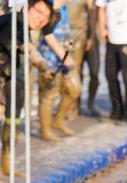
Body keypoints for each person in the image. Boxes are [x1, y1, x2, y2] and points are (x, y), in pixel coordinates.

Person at [0, 0, 53, 183]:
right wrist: (39, 61)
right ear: (26, 7)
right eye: (38, 12)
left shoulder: (20, 26)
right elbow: (8, 53)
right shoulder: (13, 22)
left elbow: (3, 67)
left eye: (46, 17)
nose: (41, 19)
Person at [37, 0, 80, 141]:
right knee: (49, 95)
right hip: (49, 55)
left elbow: (65, 30)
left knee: (74, 89)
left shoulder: (64, 5)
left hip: (65, 52)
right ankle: (46, 130)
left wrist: (70, 49)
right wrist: (63, 55)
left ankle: (58, 120)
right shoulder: (49, 4)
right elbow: (46, 32)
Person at [65, 0, 93, 120]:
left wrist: (91, 37)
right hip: (64, 32)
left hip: (79, 32)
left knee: (75, 69)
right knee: (63, 70)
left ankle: (73, 106)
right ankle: (64, 106)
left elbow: (92, 13)